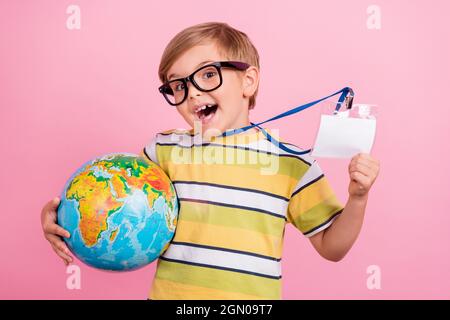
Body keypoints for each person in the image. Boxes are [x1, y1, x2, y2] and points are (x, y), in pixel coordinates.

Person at [41, 22, 380, 299]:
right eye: (177, 86)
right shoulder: (164, 150)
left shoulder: (291, 163)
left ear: (248, 80)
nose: (192, 93)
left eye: (206, 75)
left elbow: (331, 246)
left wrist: (358, 198)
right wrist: (60, 217)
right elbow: (114, 200)